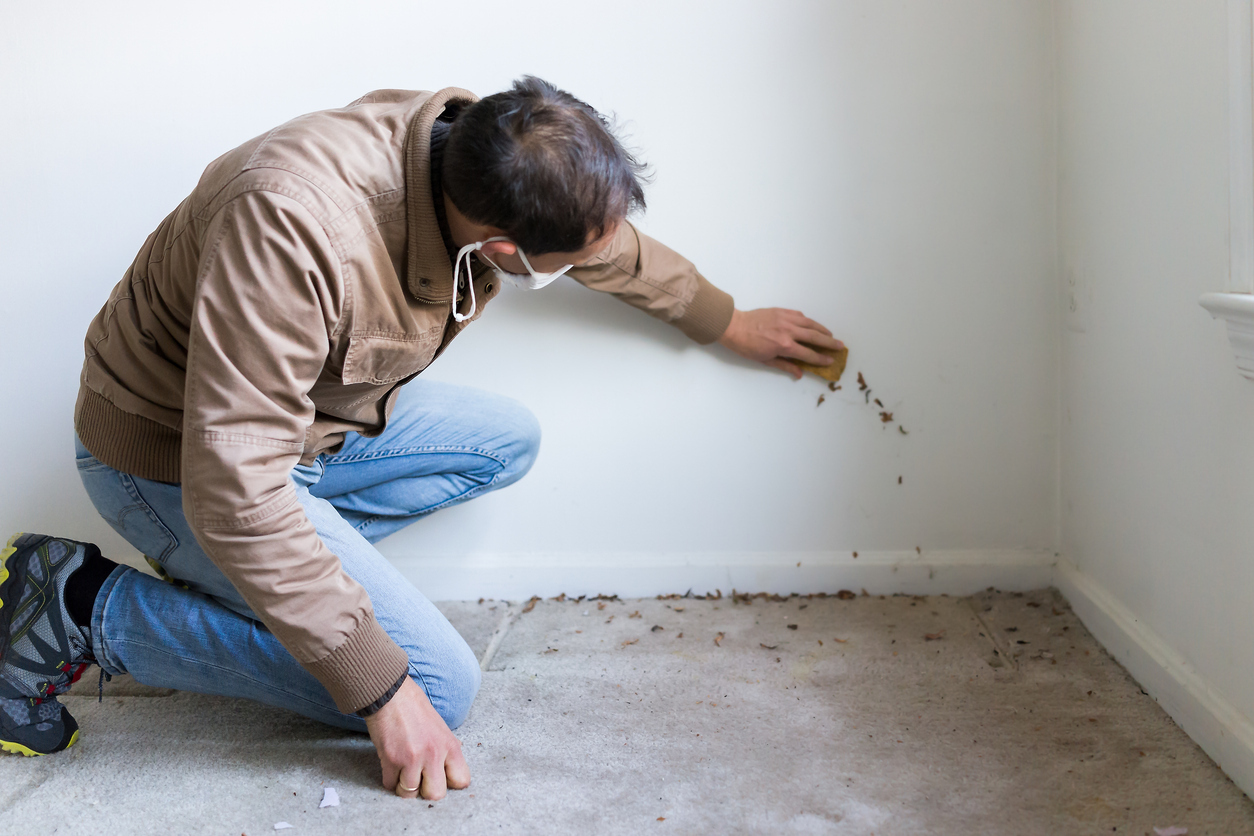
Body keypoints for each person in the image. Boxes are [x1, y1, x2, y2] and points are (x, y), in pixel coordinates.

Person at [0, 77, 843, 798]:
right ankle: (76, 604)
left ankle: (263, 584)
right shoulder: (290, 225)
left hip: (306, 436)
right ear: (503, 246)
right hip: (173, 461)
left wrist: (721, 320)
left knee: (502, 441)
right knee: (436, 683)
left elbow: (597, 241)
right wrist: (377, 684)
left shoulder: (484, 148)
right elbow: (236, 486)